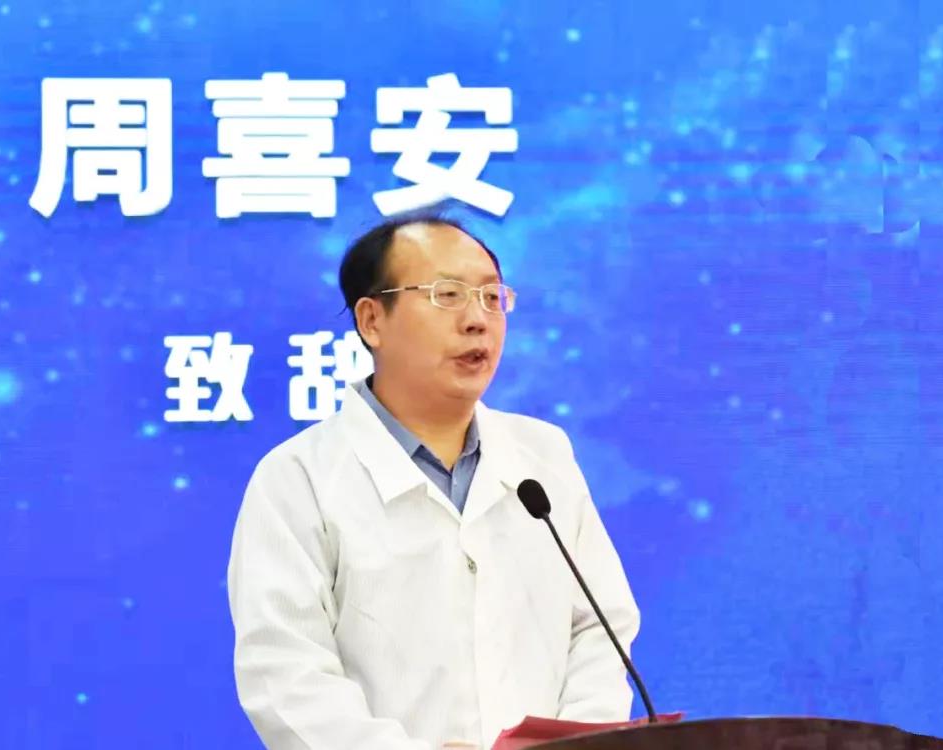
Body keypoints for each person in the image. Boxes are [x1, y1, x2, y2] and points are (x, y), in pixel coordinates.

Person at [227, 215, 641, 750]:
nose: (478, 320)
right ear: (372, 320)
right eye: (447, 295)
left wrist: (574, 744)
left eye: (492, 298)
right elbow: (285, 674)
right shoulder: (297, 478)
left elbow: (600, 629)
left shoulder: (543, 455)